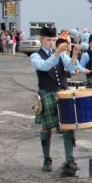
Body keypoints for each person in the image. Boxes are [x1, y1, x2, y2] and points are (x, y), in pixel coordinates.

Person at [30, 27, 80, 175]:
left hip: (63, 92)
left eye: (53, 40)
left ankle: (69, 159)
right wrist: (58, 53)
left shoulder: (60, 54)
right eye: (48, 40)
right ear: (41, 40)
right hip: (47, 93)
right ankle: (46, 159)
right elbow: (44, 67)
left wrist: (74, 55)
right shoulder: (35, 56)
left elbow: (71, 68)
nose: (51, 43)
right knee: (47, 128)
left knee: (68, 126)